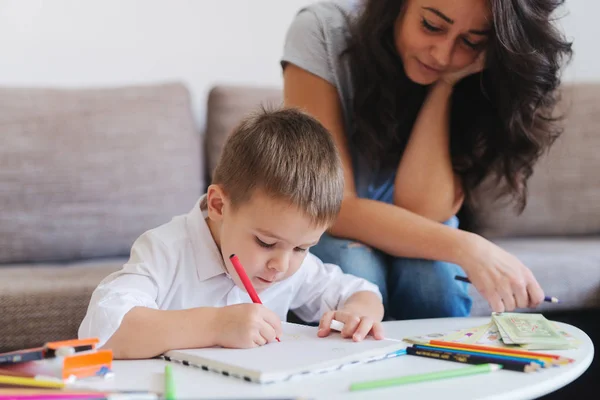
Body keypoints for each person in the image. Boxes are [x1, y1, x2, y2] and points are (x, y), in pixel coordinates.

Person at [281, 0, 572, 319]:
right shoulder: (320, 30)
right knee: (357, 270)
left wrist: (445, 87)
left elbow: (422, 209)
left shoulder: (470, 74)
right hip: (325, 221)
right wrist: (469, 247)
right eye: (431, 26)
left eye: (470, 41)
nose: (442, 55)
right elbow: (334, 205)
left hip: (413, 224)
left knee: (433, 281)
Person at [79, 108, 385, 359]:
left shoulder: (288, 264)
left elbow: (360, 291)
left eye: (301, 248)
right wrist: (215, 324)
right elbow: (103, 329)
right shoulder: (166, 249)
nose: (282, 265)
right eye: (266, 242)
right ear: (218, 206)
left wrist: (359, 313)